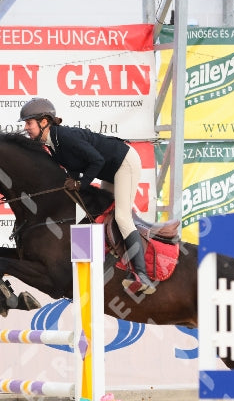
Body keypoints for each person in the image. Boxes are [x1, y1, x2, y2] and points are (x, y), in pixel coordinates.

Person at [19, 97, 156, 295]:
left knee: (122, 217)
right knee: (97, 215)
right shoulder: (52, 145)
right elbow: (74, 168)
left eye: (28, 122)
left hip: (124, 162)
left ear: (43, 122)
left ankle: (142, 276)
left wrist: (80, 183)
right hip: (109, 170)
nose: (26, 127)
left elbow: (97, 160)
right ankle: (98, 269)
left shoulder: (64, 136)